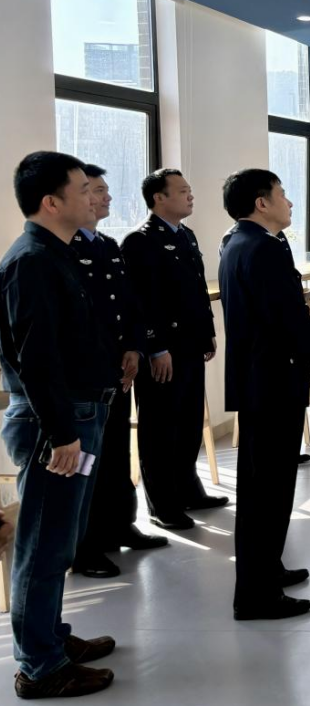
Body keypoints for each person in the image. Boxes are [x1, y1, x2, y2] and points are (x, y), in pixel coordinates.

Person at [1, 151, 118, 698]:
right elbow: (37, 358)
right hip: (57, 423)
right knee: (43, 545)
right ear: (51, 202)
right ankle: (39, 666)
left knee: (60, 541)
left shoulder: (56, 253)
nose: (94, 196)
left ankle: (50, 637)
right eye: (83, 189)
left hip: (76, 414)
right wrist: (63, 434)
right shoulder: (32, 261)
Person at [218, 169, 310, 620]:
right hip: (271, 379)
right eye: (282, 194)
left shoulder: (237, 240)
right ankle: (256, 594)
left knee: (266, 485)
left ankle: (266, 568)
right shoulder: (262, 247)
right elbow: (285, 315)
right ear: (261, 203)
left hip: (259, 378)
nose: (289, 202)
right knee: (268, 489)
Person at [70, 165, 168, 579]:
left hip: (118, 369)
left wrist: (134, 347)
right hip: (86, 375)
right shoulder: (64, 248)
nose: (106, 197)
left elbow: (129, 304)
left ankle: (121, 523)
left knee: (115, 452)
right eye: (96, 190)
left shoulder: (108, 246)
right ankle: (86, 546)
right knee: (88, 463)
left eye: (107, 190)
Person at [121, 169, 226, 531]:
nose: (190, 196)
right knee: (160, 428)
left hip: (191, 345)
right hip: (163, 351)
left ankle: (188, 489)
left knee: (188, 422)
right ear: (159, 198)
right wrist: (155, 347)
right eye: (182, 191)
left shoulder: (186, 235)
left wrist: (207, 332)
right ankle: (161, 504)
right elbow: (141, 301)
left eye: (189, 190)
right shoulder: (140, 241)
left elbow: (196, 290)